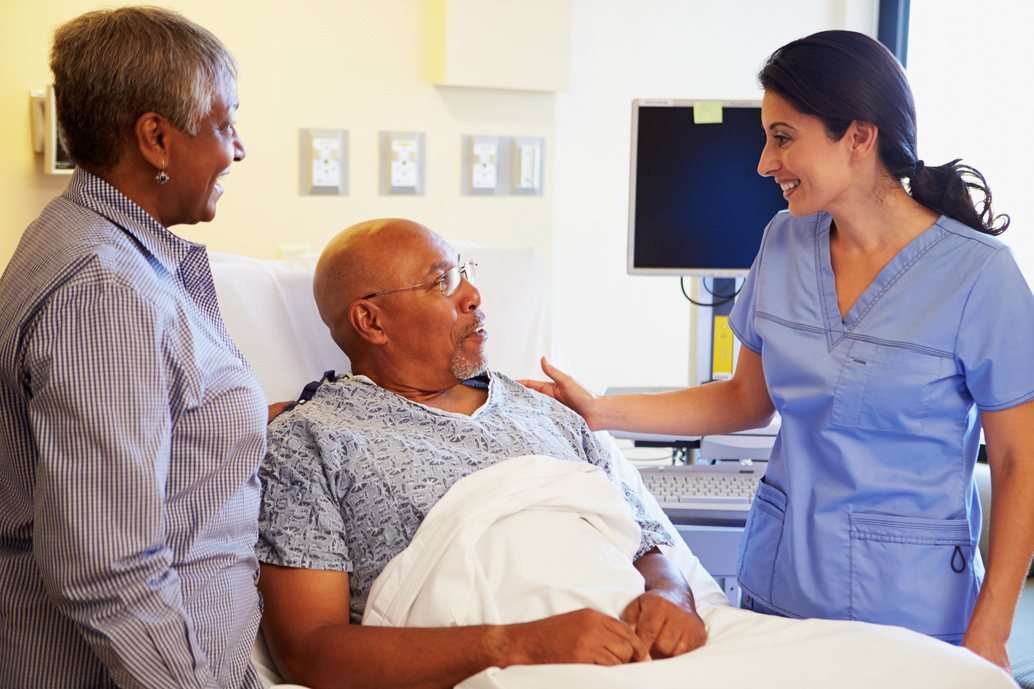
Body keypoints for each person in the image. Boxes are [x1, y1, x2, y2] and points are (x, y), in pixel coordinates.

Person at [522, 30, 1034, 672]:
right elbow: (745, 400)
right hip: (781, 588)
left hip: (915, 606)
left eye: (783, 137)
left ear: (858, 136)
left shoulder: (979, 276)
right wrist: (599, 410)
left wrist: (991, 629)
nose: (766, 162)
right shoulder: (785, 242)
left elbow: (1019, 463)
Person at [255, 218, 708, 689]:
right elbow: (309, 652)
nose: (472, 295)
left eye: (464, 272)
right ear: (371, 321)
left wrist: (674, 595)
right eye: (442, 281)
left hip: (648, 650)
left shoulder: (546, 411)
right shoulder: (311, 440)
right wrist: (520, 646)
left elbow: (643, 540)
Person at [0, 7, 264, 688]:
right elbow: (107, 568)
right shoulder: (105, 290)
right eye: (226, 122)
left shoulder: (84, 238)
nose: (238, 149)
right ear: (156, 137)